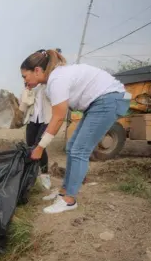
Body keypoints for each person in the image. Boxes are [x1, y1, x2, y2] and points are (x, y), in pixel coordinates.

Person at [20, 49, 130, 214]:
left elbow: (58, 118)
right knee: (72, 146)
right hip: (98, 102)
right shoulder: (52, 81)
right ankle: (64, 191)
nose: (24, 80)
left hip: (108, 100)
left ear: (37, 70)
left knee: (79, 150)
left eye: (25, 76)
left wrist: (40, 147)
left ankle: (69, 200)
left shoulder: (57, 80)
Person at [19, 76, 52, 190]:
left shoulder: (46, 86)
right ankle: (31, 175)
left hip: (45, 120)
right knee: (30, 147)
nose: (26, 81)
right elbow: (23, 108)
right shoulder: (30, 90)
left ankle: (44, 175)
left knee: (40, 146)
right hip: (32, 120)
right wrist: (27, 91)